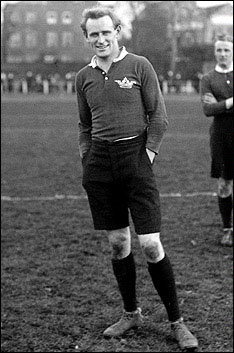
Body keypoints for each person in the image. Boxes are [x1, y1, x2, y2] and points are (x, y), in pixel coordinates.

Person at [75, 6, 198, 351]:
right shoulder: (83, 76)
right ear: (86, 38)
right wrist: (88, 160)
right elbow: (84, 125)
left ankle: (177, 322)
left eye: (106, 32)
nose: (101, 39)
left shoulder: (140, 66)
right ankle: (131, 313)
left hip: (136, 157)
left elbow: (158, 117)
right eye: (93, 34)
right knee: (118, 243)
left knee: (150, 243)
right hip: (100, 162)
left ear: (117, 31)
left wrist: (147, 156)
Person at [200, 34, 233, 247]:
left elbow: (216, 106)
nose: (222, 54)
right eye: (219, 50)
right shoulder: (207, 79)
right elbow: (208, 110)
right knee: (224, 184)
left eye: (227, 50)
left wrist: (221, 104)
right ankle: (227, 229)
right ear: (215, 52)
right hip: (221, 137)